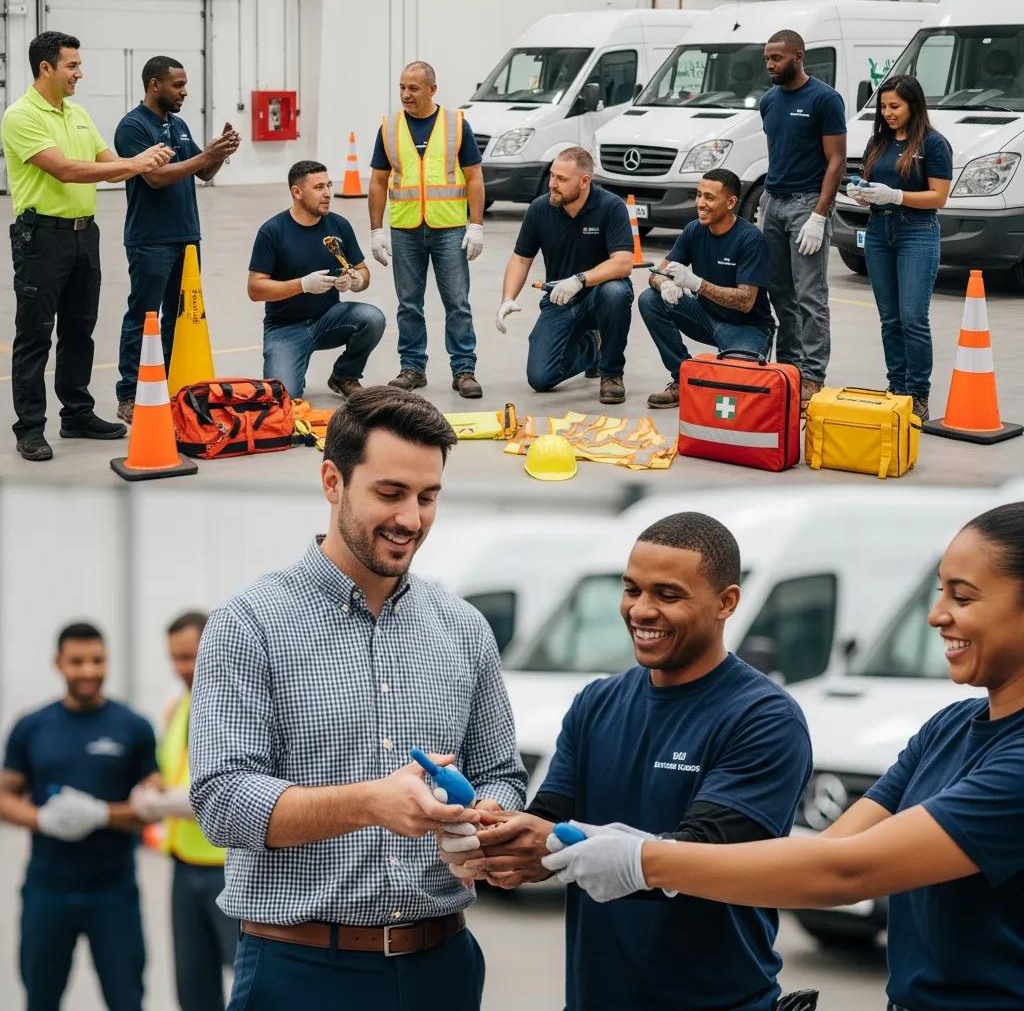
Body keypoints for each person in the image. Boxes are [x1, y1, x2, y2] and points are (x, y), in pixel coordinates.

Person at [542, 502, 1024, 1011]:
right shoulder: (947, 729)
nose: (936, 614)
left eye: (962, 597)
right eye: (939, 592)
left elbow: (847, 873)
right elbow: (827, 851)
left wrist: (641, 859)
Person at [188, 386, 526, 1010]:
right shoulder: (250, 623)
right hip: (300, 972)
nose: (412, 520)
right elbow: (221, 801)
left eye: (428, 497)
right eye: (390, 493)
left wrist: (482, 824)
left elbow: (502, 773)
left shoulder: (463, 627)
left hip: (443, 967)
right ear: (332, 482)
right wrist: (370, 803)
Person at [444, 513, 813, 1011]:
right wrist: (494, 835)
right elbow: (550, 818)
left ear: (726, 602)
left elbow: (707, 854)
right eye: (631, 589)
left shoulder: (764, 717)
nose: (641, 610)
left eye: (668, 595)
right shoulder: (596, 703)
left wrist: (549, 842)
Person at [2, 30, 173, 461]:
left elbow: (108, 165)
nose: (80, 73)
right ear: (46, 67)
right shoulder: (21, 115)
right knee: (35, 334)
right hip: (41, 237)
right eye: (72, 65)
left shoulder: (77, 114)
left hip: (84, 234)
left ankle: (77, 414)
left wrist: (144, 162)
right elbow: (63, 169)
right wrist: (133, 163)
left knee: (80, 328)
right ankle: (30, 427)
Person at [0, 621, 160, 1011]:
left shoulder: (134, 727)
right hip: (47, 891)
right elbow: (4, 797)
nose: (89, 670)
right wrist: (41, 819)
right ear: (58, 663)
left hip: (114, 893)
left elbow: (151, 806)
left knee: (126, 1001)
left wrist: (102, 814)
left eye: (97, 660)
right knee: (41, 1000)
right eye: (77, 661)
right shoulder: (31, 727)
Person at [113, 55, 240, 424]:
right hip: (151, 240)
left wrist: (219, 153)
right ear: (155, 85)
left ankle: (166, 386)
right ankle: (129, 392)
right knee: (144, 316)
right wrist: (206, 156)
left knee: (178, 317)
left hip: (186, 237)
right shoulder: (133, 127)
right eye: (178, 85)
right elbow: (155, 177)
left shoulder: (178, 124)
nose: (184, 92)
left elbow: (202, 173)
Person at [129, 611, 237, 1011]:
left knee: (249, 982)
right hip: (184, 862)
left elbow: (228, 789)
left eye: (190, 656)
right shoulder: (180, 706)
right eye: (175, 658)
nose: (183, 667)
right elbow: (171, 771)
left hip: (228, 866)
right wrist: (153, 785)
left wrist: (164, 802)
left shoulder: (234, 704)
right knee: (193, 988)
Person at [368, 60, 485, 399]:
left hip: (449, 227)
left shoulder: (456, 125)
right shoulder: (389, 127)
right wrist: (376, 231)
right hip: (405, 228)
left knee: (457, 303)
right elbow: (377, 181)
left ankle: (464, 370)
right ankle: (412, 368)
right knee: (408, 304)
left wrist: (476, 225)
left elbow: (474, 177)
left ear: (432, 89)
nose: (406, 94)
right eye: (402, 87)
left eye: (414, 88)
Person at [847, 75, 952, 422]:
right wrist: (861, 194)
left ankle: (917, 393)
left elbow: (939, 197)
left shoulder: (933, 144)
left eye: (895, 106)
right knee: (890, 319)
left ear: (913, 105)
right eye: (883, 107)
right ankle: (897, 388)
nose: (888, 113)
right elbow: (870, 186)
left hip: (916, 232)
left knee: (912, 318)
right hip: (879, 230)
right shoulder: (878, 142)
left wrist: (896, 195)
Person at [496, 147, 634, 405]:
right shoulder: (540, 208)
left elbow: (624, 262)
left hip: (599, 297)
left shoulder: (611, 206)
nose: (552, 184)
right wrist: (507, 298)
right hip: (559, 300)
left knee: (616, 292)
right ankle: (593, 347)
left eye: (561, 179)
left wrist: (579, 280)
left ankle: (611, 373)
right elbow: (521, 258)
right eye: (552, 175)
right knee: (540, 378)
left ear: (584, 181)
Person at [759, 29, 847, 411]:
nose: (770, 65)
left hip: (806, 204)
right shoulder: (768, 101)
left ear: (798, 56)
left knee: (810, 295)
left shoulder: (824, 99)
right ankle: (789, 368)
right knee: (780, 292)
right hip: (773, 203)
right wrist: (767, 203)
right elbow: (777, 152)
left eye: (776, 58)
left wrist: (818, 215)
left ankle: (813, 375)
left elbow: (837, 160)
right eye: (767, 58)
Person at [638, 169, 776, 409]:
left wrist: (696, 284)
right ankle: (682, 378)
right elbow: (656, 274)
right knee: (650, 299)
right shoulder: (694, 230)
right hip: (705, 316)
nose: (700, 203)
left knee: (735, 398)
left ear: (731, 202)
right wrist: (665, 284)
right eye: (698, 195)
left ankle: (731, 365)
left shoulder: (750, 239)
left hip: (746, 327)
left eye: (709, 198)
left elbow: (745, 301)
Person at [248, 160, 385, 400]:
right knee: (284, 397)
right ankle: (293, 368)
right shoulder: (273, 231)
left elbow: (363, 272)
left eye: (329, 185)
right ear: (297, 192)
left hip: (328, 319)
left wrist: (355, 282)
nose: (327, 193)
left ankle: (345, 375)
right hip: (285, 328)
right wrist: (302, 285)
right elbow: (255, 289)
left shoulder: (339, 225)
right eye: (319, 187)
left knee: (372, 318)